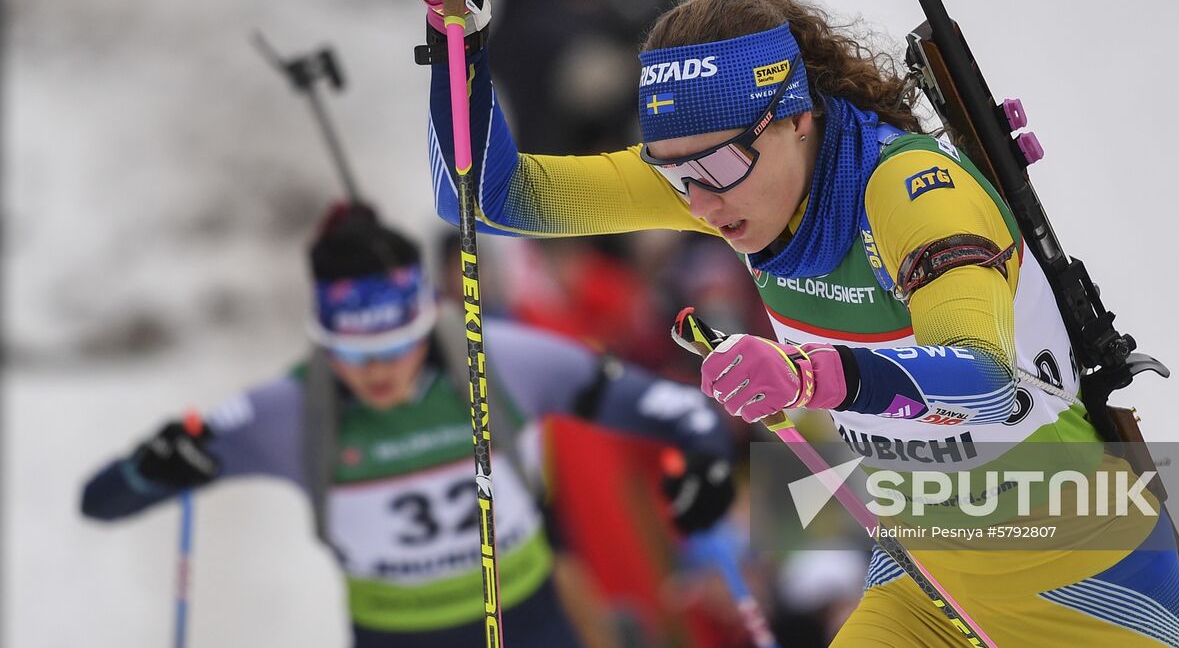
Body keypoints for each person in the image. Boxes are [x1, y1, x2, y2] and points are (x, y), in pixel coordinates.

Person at [409, 0, 1179, 647]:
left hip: (1082, 576)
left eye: (718, 167)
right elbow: (487, 198)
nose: (701, 203)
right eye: (673, 175)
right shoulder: (731, 181)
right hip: (930, 584)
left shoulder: (908, 190)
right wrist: (455, 36)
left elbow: (986, 381)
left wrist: (812, 376)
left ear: (794, 118)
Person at [80, 203, 735, 648]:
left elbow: (684, 409)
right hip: (399, 631)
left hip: (537, 617)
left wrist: (713, 459)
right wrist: (155, 467)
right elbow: (102, 500)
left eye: (400, 344)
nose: (380, 372)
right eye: (356, 354)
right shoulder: (290, 409)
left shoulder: (506, 356)